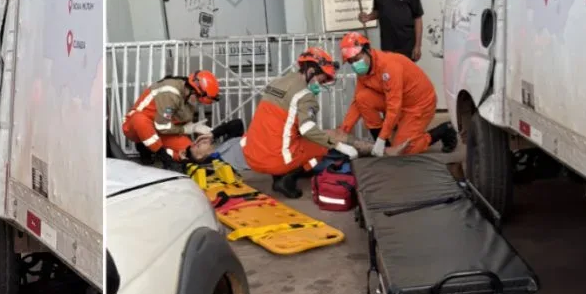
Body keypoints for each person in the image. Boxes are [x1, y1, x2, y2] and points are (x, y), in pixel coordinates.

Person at [232, 48, 378, 198]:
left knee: (285, 135)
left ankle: (280, 173)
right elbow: (308, 130)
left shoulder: (278, 82)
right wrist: (340, 146)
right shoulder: (305, 96)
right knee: (322, 145)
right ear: (311, 71)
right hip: (276, 159)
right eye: (321, 79)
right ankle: (288, 178)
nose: (320, 84)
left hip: (252, 154)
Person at [338, 32, 455, 157]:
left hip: (419, 104)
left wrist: (382, 138)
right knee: (362, 98)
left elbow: (394, 106)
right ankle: (384, 144)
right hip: (398, 100)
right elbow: (357, 102)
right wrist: (343, 131)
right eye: (351, 62)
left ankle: (444, 130)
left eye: (357, 59)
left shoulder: (389, 66)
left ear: (367, 50)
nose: (355, 64)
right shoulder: (364, 72)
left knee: (404, 149)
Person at [120, 70, 221, 168]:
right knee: (140, 120)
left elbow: (177, 120)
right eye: (199, 100)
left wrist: (193, 128)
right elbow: (162, 126)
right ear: (193, 91)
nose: (199, 103)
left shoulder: (188, 95)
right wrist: (186, 129)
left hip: (162, 129)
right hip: (136, 127)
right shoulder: (170, 94)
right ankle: (156, 151)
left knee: (190, 151)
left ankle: (154, 148)